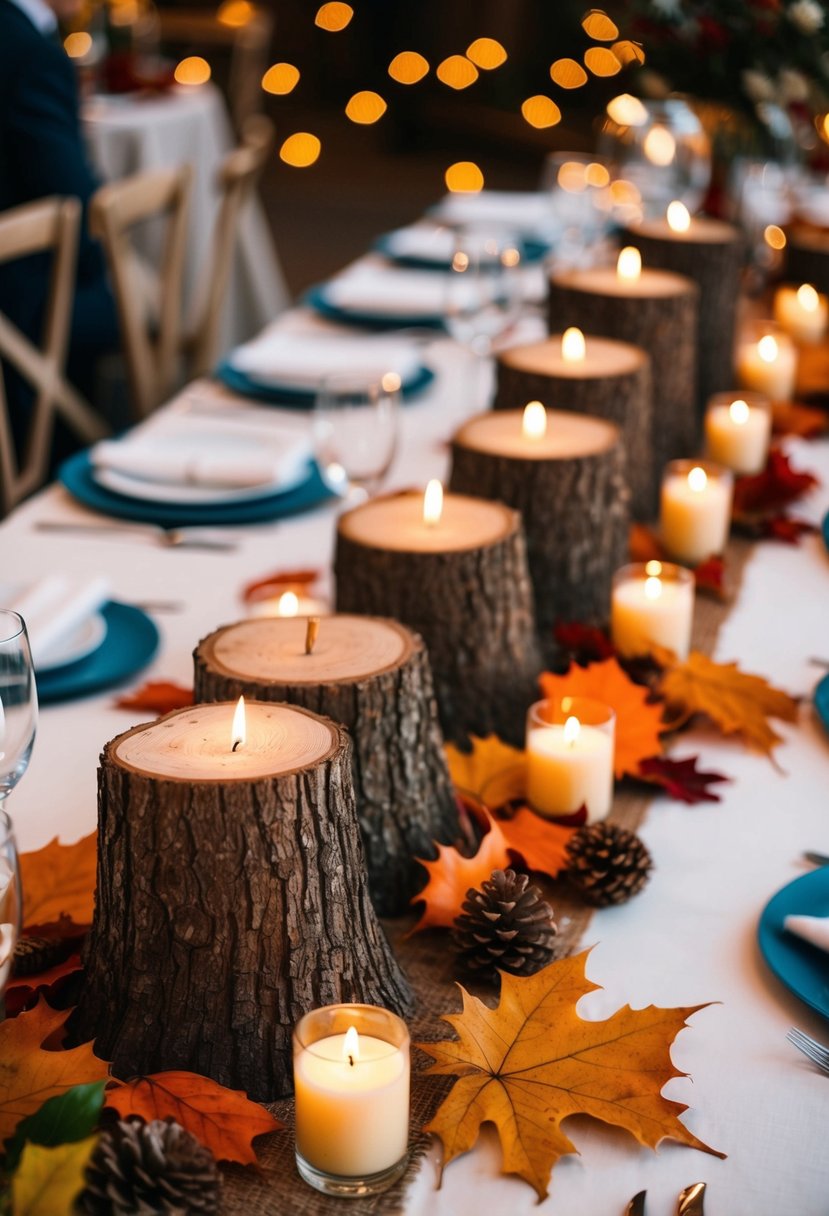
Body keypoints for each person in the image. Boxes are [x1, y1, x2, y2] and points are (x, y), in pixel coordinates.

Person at [0, 0, 119, 455]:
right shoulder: (33, 56)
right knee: (120, 295)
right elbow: (76, 201)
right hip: (21, 308)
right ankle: (76, 459)